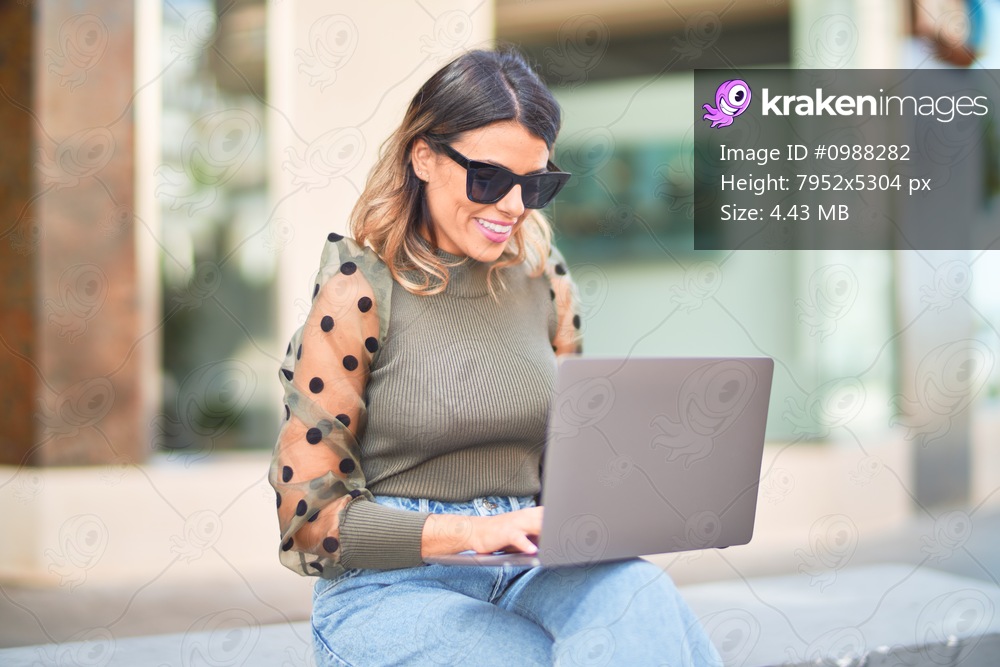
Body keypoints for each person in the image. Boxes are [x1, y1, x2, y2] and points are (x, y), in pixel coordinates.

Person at [268, 46, 723, 667]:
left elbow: (573, 453)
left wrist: (631, 498)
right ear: (423, 158)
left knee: (641, 600)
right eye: (489, 179)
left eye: (534, 184)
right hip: (394, 584)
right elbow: (308, 521)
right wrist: (469, 534)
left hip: (533, 566)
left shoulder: (544, 277)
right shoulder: (357, 290)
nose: (513, 206)